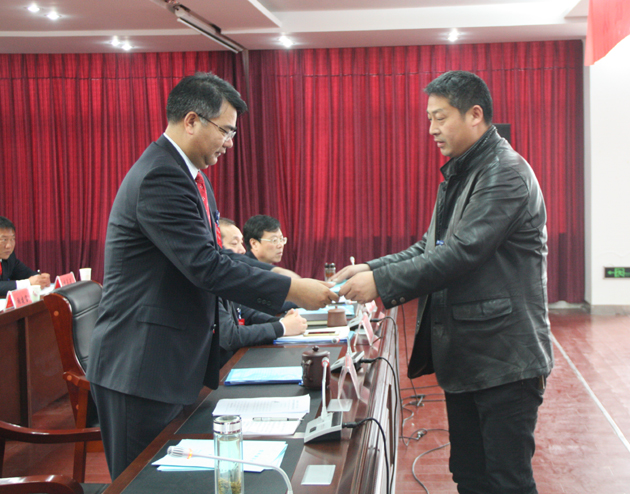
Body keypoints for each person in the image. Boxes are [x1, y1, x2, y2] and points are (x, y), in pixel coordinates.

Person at [87, 72, 337, 480]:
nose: (230, 143)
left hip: (170, 363)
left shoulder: (194, 178)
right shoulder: (161, 176)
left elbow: (218, 254)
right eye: (225, 131)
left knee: (175, 480)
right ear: (191, 120)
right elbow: (205, 266)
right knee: (143, 483)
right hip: (139, 366)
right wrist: (290, 288)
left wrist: (280, 274)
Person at [334, 71, 553, 494]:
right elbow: (429, 246)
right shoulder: (463, 172)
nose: (432, 129)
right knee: (469, 475)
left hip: (505, 361)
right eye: (429, 119)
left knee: (507, 482)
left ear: (475, 115)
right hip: (472, 357)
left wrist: (381, 283)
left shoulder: (504, 173)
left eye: (441, 117)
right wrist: (370, 268)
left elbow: (461, 253)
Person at [217, 218, 307, 366]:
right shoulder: (212, 283)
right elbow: (230, 336)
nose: (242, 251)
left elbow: (247, 313)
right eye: (234, 244)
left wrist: (284, 322)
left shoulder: (229, 279)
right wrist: (283, 327)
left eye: (241, 243)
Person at [0, 216, 51, 297]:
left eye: (12, 239)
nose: (9, 246)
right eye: (4, 240)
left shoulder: (9, 256)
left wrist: (40, 279)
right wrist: (28, 283)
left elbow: (24, 272)